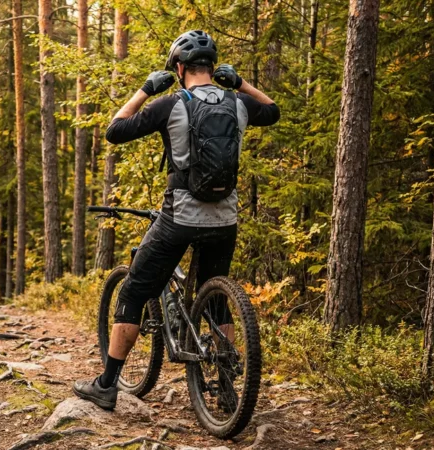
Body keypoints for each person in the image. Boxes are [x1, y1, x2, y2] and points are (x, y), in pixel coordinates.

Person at [73, 30, 280, 411]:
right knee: (216, 299)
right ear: (213, 68)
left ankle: (106, 385)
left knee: (134, 292)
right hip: (225, 218)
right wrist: (240, 83)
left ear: (179, 68)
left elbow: (115, 131)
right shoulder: (238, 103)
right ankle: (226, 386)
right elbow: (273, 110)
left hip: (180, 217)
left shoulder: (170, 104)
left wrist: (145, 89)